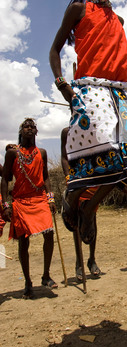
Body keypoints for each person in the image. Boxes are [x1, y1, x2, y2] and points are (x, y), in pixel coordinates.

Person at [49, 0, 127, 245]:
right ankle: (73, 196)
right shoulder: (78, 10)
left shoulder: (119, 20)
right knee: (103, 147)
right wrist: (62, 84)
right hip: (91, 88)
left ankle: (88, 208)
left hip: (120, 92)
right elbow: (54, 50)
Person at [0, 118, 57, 298]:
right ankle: (27, 281)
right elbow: (4, 179)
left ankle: (46, 275)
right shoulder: (12, 154)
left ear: (37, 132)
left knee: (49, 234)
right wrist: (5, 204)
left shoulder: (42, 152)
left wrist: (51, 198)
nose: (30, 129)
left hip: (39, 199)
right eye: (26, 126)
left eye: (33, 127)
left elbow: (46, 177)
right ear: (21, 131)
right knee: (24, 241)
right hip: (21, 201)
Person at [61, 127, 100, 280]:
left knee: (91, 218)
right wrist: (68, 177)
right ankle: (79, 263)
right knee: (76, 222)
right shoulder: (67, 131)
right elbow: (64, 157)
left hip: (93, 177)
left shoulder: (95, 129)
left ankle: (92, 259)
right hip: (76, 178)